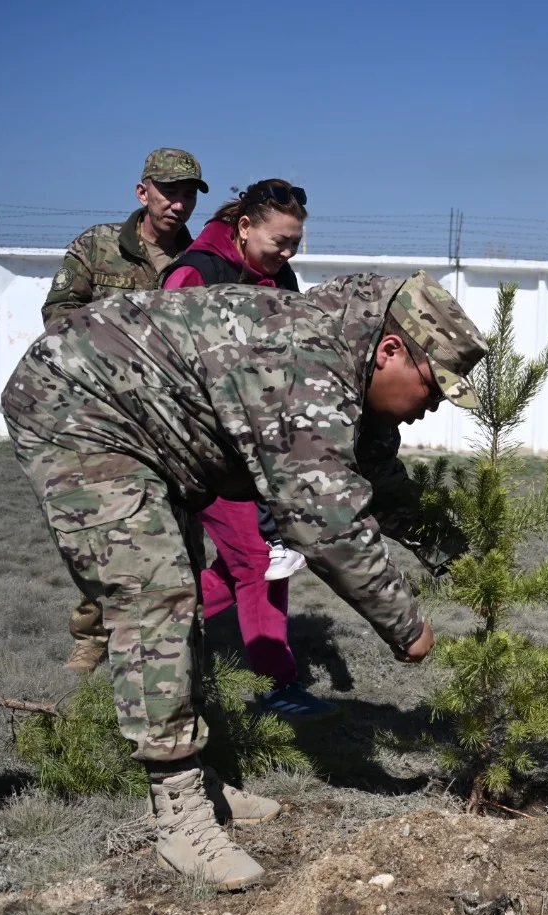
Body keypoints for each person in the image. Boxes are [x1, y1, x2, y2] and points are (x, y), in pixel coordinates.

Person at [2, 271, 483, 888]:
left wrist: (462, 558)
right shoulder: (306, 364)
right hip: (79, 406)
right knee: (155, 596)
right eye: (433, 387)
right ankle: (179, 815)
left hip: (146, 423)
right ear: (390, 350)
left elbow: (379, 482)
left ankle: (201, 778)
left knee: (179, 601)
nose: (434, 406)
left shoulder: (351, 368)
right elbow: (325, 522)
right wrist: (406, 627)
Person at [40, 148, 209, 675]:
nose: (178, 204)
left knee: (181, 535)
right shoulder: (98, 246)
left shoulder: (199, 259)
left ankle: (183, 642)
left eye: (188, 195)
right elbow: (59, 315)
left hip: (174, 423)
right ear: (143, 192)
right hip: (108, 420)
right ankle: (93, 637)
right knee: (106, 532)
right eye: (169, 192)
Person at [162, 178, 323, 715]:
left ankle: (151, 624)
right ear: (245, 226)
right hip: (203, 448)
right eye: (280, 241)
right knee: (258, 558)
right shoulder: (196, 272)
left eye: (295, 243)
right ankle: (280, 686)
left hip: (262, 448)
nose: (288, 252)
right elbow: (165, 359)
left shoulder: (280, 277)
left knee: (246, 564)